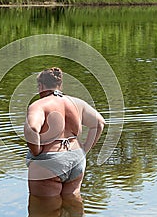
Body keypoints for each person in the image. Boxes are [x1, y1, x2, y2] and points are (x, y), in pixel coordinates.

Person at [24, 67, 105, 196]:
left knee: (44, 212)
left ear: (40, 86)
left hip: (49, 161)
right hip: (76, 158)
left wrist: (36, 152)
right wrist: (84, 150)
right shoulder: (78, 103)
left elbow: (32, 129)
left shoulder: (39, 105)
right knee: (74, 205)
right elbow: (100, 123)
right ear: (60, 85)